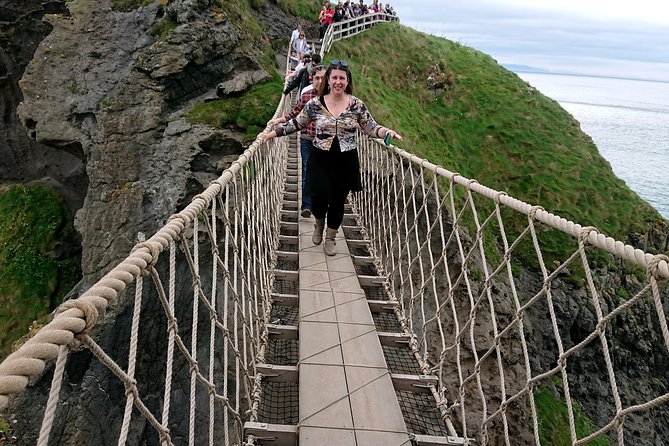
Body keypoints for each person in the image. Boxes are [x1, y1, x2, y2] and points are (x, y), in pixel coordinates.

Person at [263, 59, 403, 256]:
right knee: (319, 198)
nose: (338, 82)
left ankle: (331, 237)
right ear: (328, 79)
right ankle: (319, 224)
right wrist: (271, 134)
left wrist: (386, 132)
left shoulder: (356, 105)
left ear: (347, 81)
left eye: (342, 78)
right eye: (334, 77)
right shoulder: (315, 104)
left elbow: (370, 127)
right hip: (320, 158)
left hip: (346, 160)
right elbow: (296, 123)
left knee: (338, 201)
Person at [267, 65, 327, 219]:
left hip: (327, 143)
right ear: (311, 79)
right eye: (317, 78)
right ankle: (306, 206)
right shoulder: (306, 94)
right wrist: (278, 120)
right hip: (307, 139)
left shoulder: (335, 97)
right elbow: (296, 114)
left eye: (323, 78)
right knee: (307, 171)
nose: (320, 81)